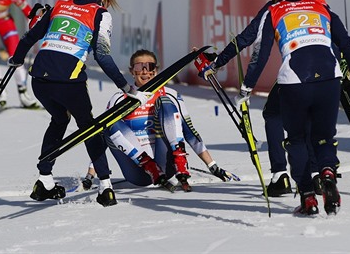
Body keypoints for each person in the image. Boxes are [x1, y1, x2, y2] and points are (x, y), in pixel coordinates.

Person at [200, 0, 350, 216]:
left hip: (296, 79)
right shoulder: (318, 2)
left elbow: (252, 45)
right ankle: (327, 172)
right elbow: (347, 44)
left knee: (288, 129)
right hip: (330, 76)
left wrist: (234, 76)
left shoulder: (274, 8)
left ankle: (293, 183)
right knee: (322, 134)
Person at [7, 0, 152, 207]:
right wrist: (126, 88)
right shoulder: (101, 14)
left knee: (59, 119)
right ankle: (105, 187)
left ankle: (45, 179)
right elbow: (103, 56)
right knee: (89, 127)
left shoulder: (61, 5)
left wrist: (16, 59)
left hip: (39, 80)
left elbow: (30, 36)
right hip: (68, 82)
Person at [81, 49, 236, 192]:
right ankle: (149, 165)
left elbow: (189, 131)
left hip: (166, 165)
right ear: (131, 71)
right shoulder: (120, 98)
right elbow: (102, 141)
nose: (145, 72)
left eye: (150, 66)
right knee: (109, 124)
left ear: (156, 69)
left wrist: (212, 166)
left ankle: (180, 162)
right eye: (139, 67)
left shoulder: (170, 94)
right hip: (137, 171)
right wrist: (91, 175)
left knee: (165, 103)